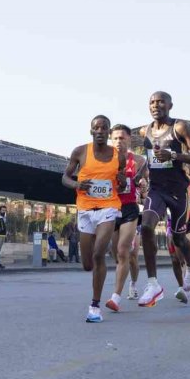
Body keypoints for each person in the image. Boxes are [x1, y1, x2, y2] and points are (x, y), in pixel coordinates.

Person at [136, 92, 190, 306]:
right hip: (156, 189)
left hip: (178, 190)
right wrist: (139, 175)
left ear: (170, 105)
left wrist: (175, 156)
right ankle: (152, 284)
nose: (155, 105)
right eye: (151, 102)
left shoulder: (179, 128)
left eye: (160, 102)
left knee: (178, 239)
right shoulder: (144, 131)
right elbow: (150, 160)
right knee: (147, 227)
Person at [62, 115, 126, 323]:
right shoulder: (80, 152)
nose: (100, 131)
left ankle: (95, 306)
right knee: (88, 264)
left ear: (108, 132)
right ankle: (93, 272)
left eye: (104, 128)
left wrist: (123, 182)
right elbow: (65, 177)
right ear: (91, 131)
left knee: (100, 253)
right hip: (85, 210)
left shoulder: (118, 155)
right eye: (96, 128)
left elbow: (122, 182)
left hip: (108, 207)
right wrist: (77, 185)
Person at [104, 124, 148, 312]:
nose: (118, 142)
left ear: (129, 139)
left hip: (129, 209)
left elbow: (147, 186)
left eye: (122, 138)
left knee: (124, 252)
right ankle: (125, 280)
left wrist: (143, 188)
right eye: (115, 138)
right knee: (117, 254)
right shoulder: (104, 160)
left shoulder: (138, 160)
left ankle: (116, 297)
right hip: (111, 209)